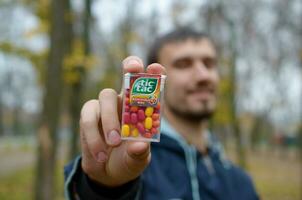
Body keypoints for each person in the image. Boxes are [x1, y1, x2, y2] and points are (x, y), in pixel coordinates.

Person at [64, 28, 259, 200]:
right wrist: (106, 188)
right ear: (157, 80)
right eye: (183, 64)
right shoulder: (133, 162)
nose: (203, 75)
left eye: (209, 63)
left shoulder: (242, 182)